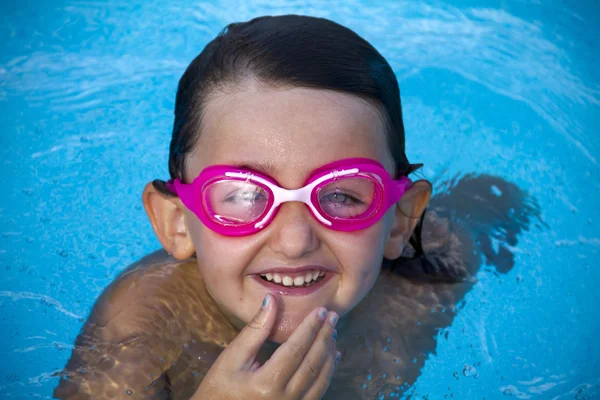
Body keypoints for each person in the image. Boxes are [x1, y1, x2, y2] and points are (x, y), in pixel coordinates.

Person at [53, 15, 542, 400]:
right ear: (177, 222)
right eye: (243, 195)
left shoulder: (427, 283)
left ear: (400, 221)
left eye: (341, 195)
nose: (294, 240)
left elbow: (493, 205)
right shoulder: (141, 326)